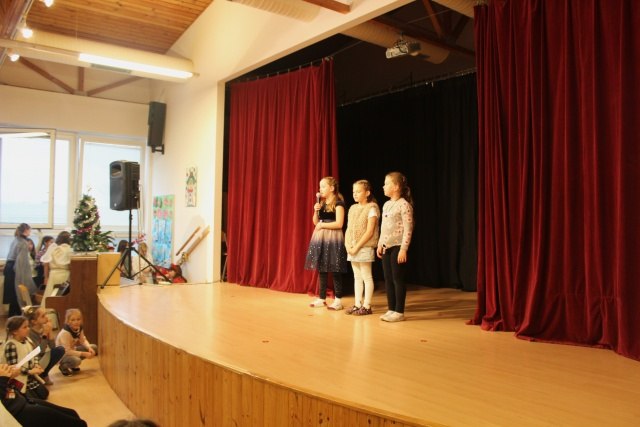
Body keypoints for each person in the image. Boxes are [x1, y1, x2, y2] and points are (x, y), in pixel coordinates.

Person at [304, 176, 348, 310]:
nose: (320, 189)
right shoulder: (321, 203)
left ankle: (338, 300)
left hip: (333, 237)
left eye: (323, 186)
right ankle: (322, 298)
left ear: (332, 188)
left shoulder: (339, 203)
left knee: (335, 268)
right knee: (322, 268)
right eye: (320, 187)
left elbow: (339, 224)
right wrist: (315, 210)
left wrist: (323, 225)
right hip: (321, 237)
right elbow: (316, 222)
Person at [376, 172, 414, 322]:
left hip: (398, 246)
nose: (383, 186)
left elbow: (408, 228)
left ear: (396, 186)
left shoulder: (404, 205)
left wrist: (404, 248)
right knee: (388, 278)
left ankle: (399, 311)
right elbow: (383, 227)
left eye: (386, 184)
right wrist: (380, 243)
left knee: (398, 278)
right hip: (387, 246)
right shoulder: (386, 205)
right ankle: (391, 309)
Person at [0, 363, 87, 426]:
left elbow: (9, 390)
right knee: (77, 423)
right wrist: (4, 378)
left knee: (72, 414)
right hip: (14, 412)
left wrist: (10, 376)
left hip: (19, 399)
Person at [344, 180, 380, 316]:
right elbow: (349, 229)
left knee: (366, 276)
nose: (355, 194)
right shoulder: (352, 208)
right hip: (352, 247)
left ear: (367, 193)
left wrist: (357, 247)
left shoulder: (372, 208)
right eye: (354, 192)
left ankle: (367, 305)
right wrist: (348, 245)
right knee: (357, 277)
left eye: (358, 191)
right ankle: (357, 304)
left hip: (364, 247)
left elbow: (369, 232)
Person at [1, 316, 48, 400]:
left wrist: (36, 364)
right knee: (31, 399)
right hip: (17, 379)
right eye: (24, 327)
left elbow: (34, 355)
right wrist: (30, 371)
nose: (28, 329)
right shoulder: (11, 345)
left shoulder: (27, 340)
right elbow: (14, 367)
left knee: (44, 394)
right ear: (15, 331)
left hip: (29, 376)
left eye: (28, 326)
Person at [24, 305, 65, 386]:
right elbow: (39, 351)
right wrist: (45, 334)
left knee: (60, 350)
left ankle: (44, 373)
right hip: (33, 362)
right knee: (57, 351)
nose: (47, 317)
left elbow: (53, 347)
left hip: (41, 358)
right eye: (43, 316)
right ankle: (41, 375)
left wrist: (50, 332)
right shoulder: (30, 333)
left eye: (46, 314)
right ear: (34, 321)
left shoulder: (43, 328)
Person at [2, 224, 38, 316]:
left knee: (12, 294)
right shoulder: (23, 243)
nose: (30, 232)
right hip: (15, 268)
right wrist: (23, 277)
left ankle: (12, 314)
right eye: (29, 230)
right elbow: (21, 262)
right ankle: (18, 316)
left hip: (10, 267)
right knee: (17, 292)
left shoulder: (16, 240)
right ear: (26, 231)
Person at [55, 309, 97, 377]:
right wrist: (84, 354)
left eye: (78, 319)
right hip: (63, 355)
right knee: (77, 360)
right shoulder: (65, 333)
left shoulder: (79, 328)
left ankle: (72, 365)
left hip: (72, 350)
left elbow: (83, 340)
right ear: (68, 321)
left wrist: (89, 348)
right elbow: (67, 351)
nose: (76, 322)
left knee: (93, 347)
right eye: (73, 320)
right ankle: (63, 367)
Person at [41, 231, 73, 307]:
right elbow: (70, 265)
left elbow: (46, 263)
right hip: (65, 274)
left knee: (50, 294)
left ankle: (49, 310)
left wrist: (46, 277)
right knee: (62, 295)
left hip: (53, 274)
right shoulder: (69, 249)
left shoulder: (53, 248)